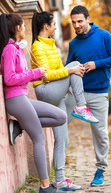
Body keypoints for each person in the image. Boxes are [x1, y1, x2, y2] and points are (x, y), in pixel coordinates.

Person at [31, 11, 99, 191]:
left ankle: (60, 180)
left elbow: (60, 71)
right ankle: (82, 106)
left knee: (62, 138)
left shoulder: (52, 45)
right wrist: (71, 71)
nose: (56, 26)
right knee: (72, 66)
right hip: (45, 91)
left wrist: (70, 80)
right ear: (46, 26)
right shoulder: (37, 47)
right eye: (53, 24)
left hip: (57, 92)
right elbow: (46, 76)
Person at [0, 13, 67, 193]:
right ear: (18, 28)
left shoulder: (18, 48)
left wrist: (36, 73)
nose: (25, 28)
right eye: (23, 25)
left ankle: (20, 125)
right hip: (15, 99)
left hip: (23, 97)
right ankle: (45, 186)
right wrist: (35, 73)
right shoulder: (9, 49)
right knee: (39, 137)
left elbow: (19, 76)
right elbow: (9, 79)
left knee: (60, 116)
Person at [65, 5, 111, 186]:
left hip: (99, 93)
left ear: (88, 19)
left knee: (100, 133)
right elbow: (68, 66)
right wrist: (74, 69)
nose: (77, 25)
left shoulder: (104, 35)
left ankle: (101, 169)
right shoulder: (73, 44)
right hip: (77, 94)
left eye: (80, 21)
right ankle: (58, 172)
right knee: (58, 121)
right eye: (74, 22)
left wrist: (96, 64)